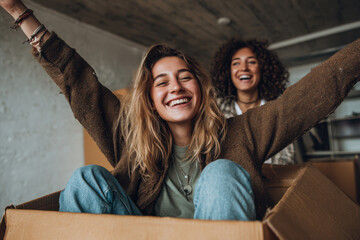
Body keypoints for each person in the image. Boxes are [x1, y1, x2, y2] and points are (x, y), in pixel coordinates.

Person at [1, 0, 359, 221]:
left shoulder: (243, 132)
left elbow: (316, 90)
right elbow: (80, 84)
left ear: (200, 90)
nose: (175, 86)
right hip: (141, 235)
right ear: (151, 100)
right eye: (162, 82)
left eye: (184, 77)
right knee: (84, 180)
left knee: (221, 173)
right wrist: (19, 12)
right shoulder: (131, 138)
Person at [211, 39, 295, 165]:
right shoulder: (216, 112)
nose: (244, 68)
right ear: (228, 71)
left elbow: (286, 159)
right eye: (236, 63)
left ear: (263, 69)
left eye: (251, 62)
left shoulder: (278, 111)